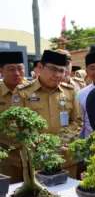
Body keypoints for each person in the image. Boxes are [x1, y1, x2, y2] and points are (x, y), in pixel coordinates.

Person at [12, 50, 82, 179]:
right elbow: (18, 123)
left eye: (62, 71)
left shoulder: (70, 91)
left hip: (65, 157)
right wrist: (43, 144)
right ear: (40, 67)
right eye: (53, 69)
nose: (57, 75)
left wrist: (62, 141)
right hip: (38, 159)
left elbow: (77, 120)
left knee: (68, 194)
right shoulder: (23, 92)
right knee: (42, 196)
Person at [0, 52, 26, 183]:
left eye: (20, 68)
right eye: (11, 69)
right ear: (1, 71)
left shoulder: (33, 89)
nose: (17, 73)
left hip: (34, 155)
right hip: (6, 159)